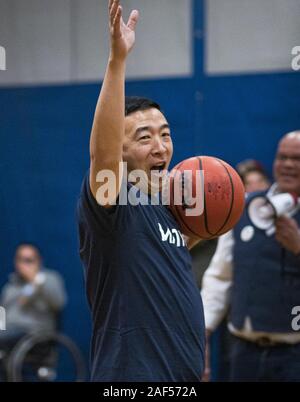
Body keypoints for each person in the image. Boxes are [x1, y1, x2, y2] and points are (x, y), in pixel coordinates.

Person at [77, 0, 205, 382]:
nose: (161, 146)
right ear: (122, 151)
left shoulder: (165, 210)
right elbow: (103, 148)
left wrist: (218, 215)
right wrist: (118, 61)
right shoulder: (110, 201)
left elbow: (165, 258)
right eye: (145, 138)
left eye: (165, 135)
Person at [201, 131, 300, 381]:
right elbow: (219, 277)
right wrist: (202, 330)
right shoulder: (244, 206)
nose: (288, 164)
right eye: (282, 157)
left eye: (296, 159)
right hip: (244, 352)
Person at [0, 243, 67, 381]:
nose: (25, 264)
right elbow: (2, 312)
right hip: (8, 333)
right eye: (21, 259)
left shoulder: (50, 279)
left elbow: (58, 303)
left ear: (38, 260)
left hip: (34, 333)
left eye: (29, 260)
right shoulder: (10, 287)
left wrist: (35, 281)